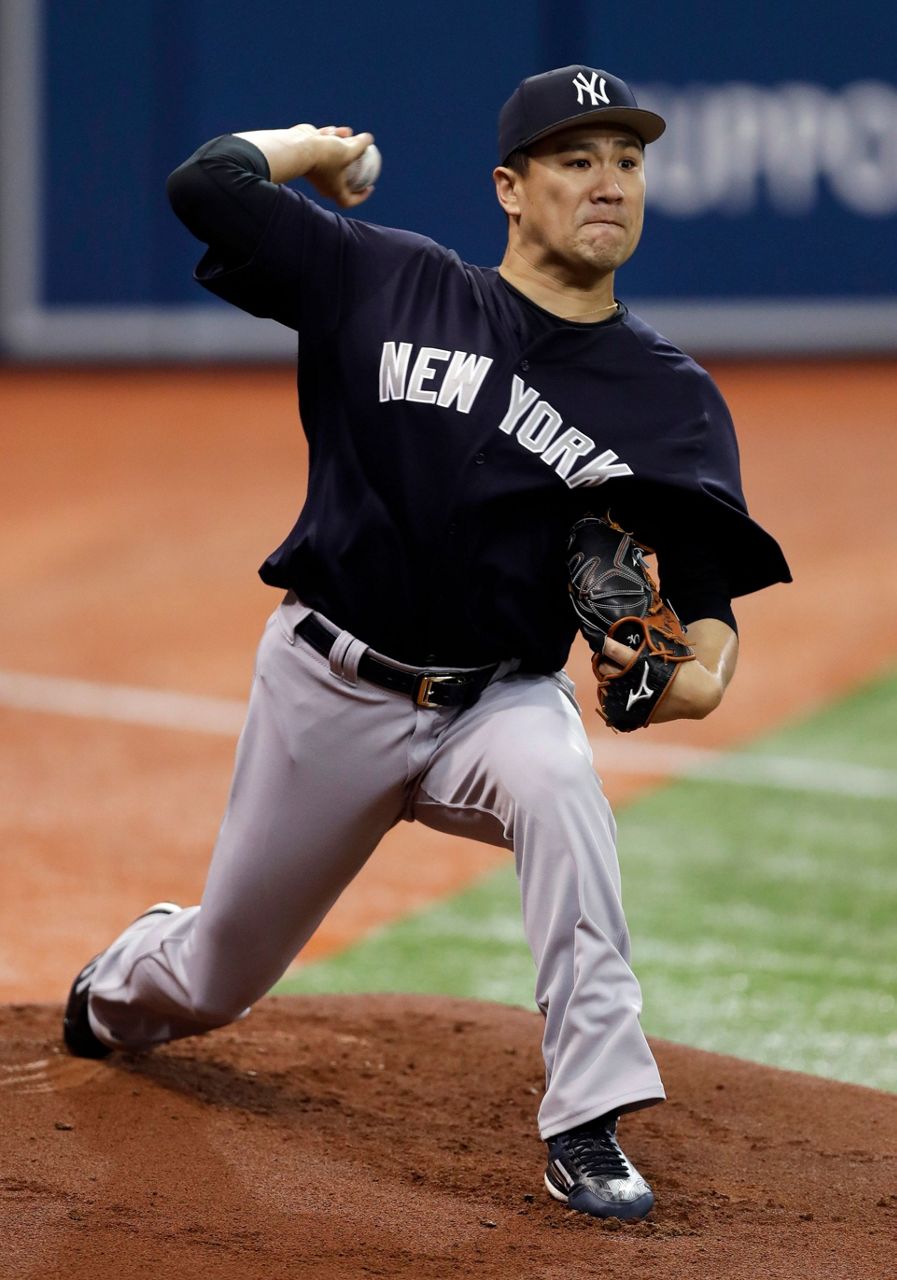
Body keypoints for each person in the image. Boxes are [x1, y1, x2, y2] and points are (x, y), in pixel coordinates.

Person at [63, 65, 789, 1222]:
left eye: (629, 160)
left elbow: (708, 596)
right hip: (324, 684)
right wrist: (313, 146)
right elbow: (206, 183)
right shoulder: (387, 278)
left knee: (561, 787)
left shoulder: (672, 398)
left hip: (495, 705)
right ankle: (118, 984)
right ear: (510, 186)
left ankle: (588, 1120)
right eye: (576, 158)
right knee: (217, 977)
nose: (610, 182)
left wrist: (695, 682)